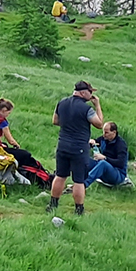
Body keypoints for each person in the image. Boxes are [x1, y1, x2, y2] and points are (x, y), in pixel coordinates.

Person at [47, 80, 103, 216]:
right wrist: (97, 105)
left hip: (63, 145)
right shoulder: (86, 109)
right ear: (83, 93)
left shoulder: (62, 103)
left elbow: (55, 121)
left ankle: (53, 204)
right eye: (90, 92)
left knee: (60, 176)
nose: (91, 95)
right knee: (79, 180)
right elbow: (99, 124)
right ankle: (79, 209)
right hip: (79, 148)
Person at [85, 121, 131, 189]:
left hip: (118, 173)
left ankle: (85, 184)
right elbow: (96, 142)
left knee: (103, 163)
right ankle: (78, 182)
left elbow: (121, 163)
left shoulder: (121, 145)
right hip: (105, 169)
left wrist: (104, 158)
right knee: (85, 160)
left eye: (106, 133)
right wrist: (90, 143)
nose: (104, 135)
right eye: (103, 132)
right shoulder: (104, 139)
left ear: (114, 132)